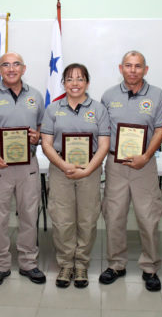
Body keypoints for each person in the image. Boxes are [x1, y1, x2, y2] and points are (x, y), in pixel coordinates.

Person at [99, 51, 162, 292]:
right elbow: (103, 131)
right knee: (114, 215)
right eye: (128, 65)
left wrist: (146, 156)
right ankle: (116, 264)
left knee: (148, 217)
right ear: (120, 68)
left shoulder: (158, 95)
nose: (133, 70)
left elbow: (160, 129)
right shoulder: (108, 96)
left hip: (144, 164)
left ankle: (150, 268)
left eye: (138, 66)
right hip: (115, 164)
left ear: (145, 70)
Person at [41, 63, 110, 288]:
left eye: (80, 79)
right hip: (61, 169)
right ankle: (65, 264)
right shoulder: (52, 109)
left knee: (87, 219)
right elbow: (47, 144)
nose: (75, 83)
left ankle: (81, 263)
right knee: (62, 219)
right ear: (63, 83)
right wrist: (62, 165)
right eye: (70, 79)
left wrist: (89, 169)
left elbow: (104, 144)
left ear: (87, 83)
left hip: (89, 170)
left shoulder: (98, 109)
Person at [0, 52, 46, 287]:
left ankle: (29, 262)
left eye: (16, 64)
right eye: (6, 65)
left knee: (29, 215)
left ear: (23, 68)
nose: (11, 68)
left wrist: (38, 137)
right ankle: (0, 264)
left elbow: (42, 128)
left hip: (28, 165)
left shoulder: (36, 96)